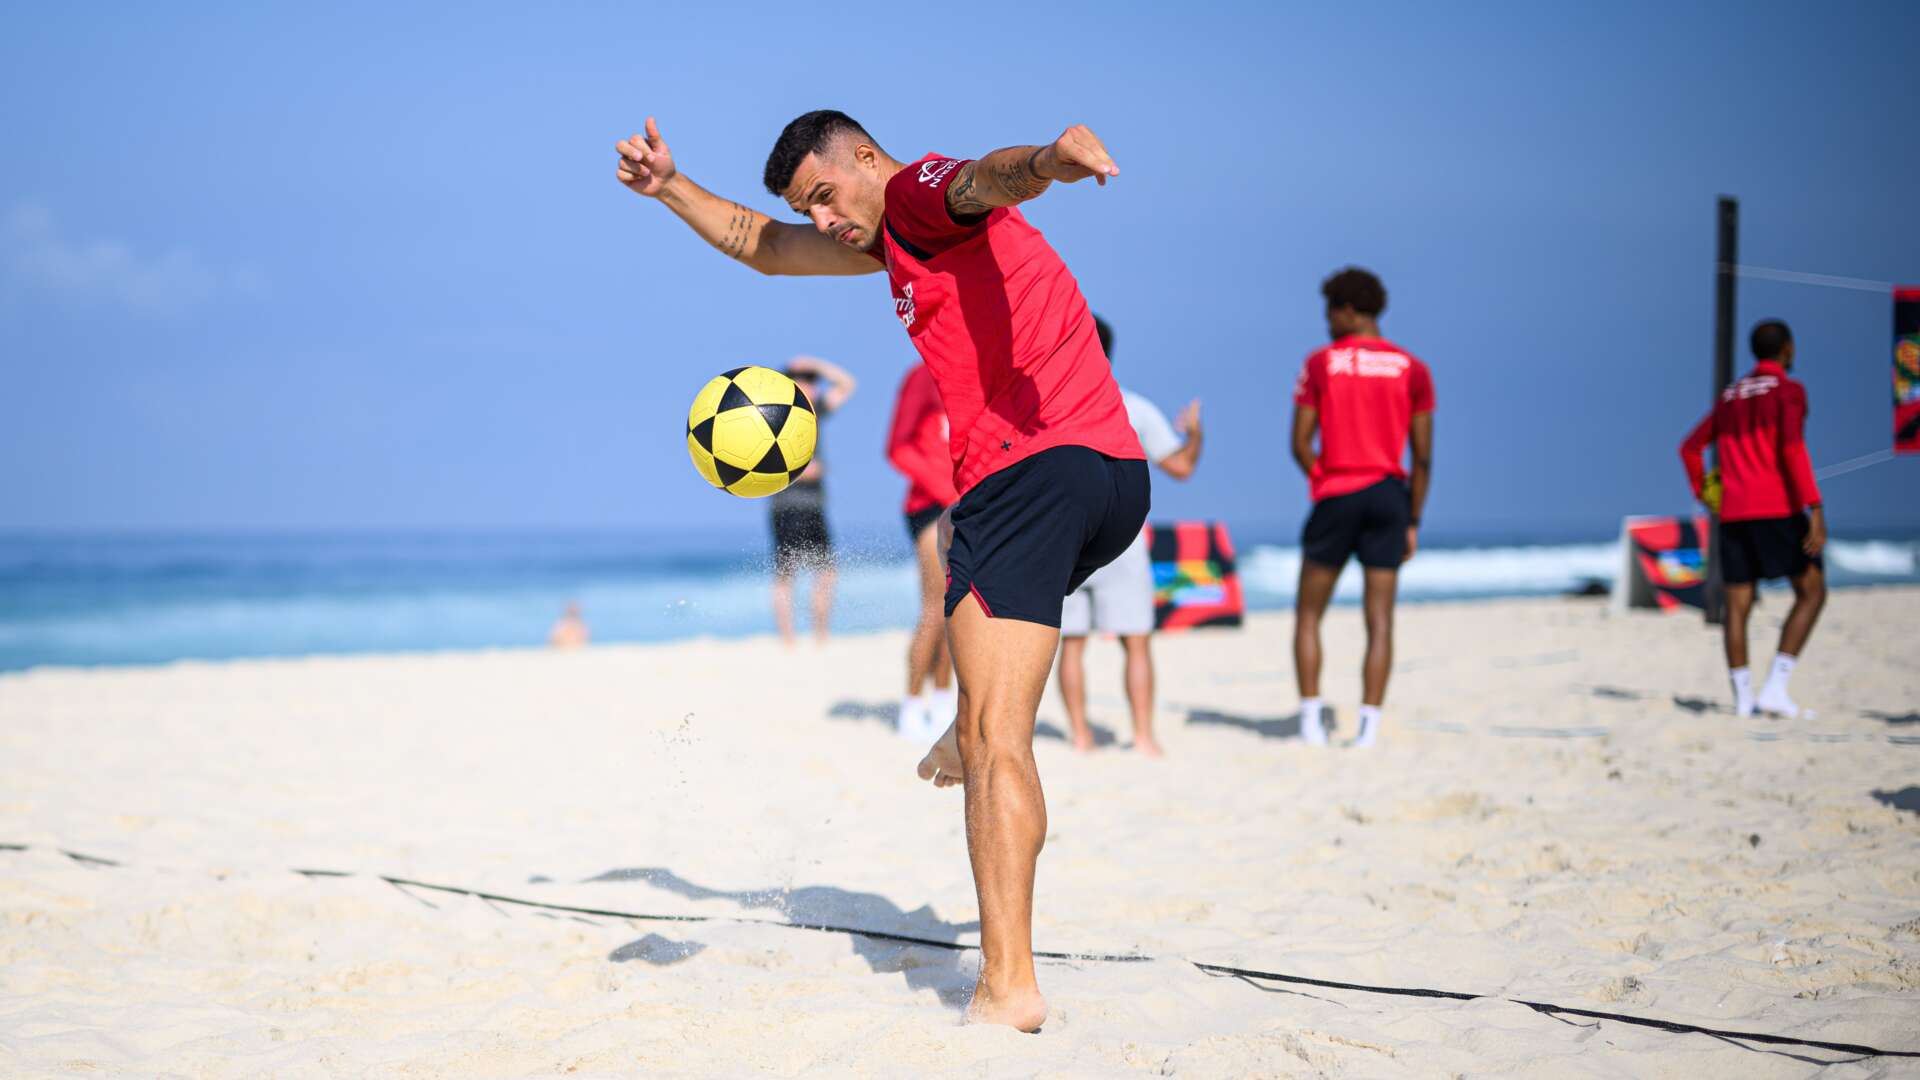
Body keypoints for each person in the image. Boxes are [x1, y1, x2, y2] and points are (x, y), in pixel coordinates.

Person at [616, 110, 1147, 1031]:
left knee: (997, 741)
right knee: (986, 693)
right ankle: (967, 723)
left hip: (1024, 473)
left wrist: (1047, 161)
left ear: (866, 157)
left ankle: (1008, 988)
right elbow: (764, 247)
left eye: (825, 195)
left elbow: (983, 178)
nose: (822, 220)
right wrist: (670, 188)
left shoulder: (913, 196)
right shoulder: (895, 242)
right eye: (808, 208)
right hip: (1112, 478)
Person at [1290, 267, 1434, 749]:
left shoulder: (1321, 363)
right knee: (1380, 620)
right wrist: (1413, 518)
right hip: (1389, 495)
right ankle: (1368, 728)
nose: (1327, 322)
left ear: (1349, 311)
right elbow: (1423, 456)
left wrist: (1322, 479)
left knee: (1309, 615)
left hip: (1338, 491)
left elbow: (1300, 441)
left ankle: (1311, 725)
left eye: (1330, 312)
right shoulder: (1412, 368)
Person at [1056, 315, 1203, 756]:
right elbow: (1180, 467)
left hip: (1067, 540)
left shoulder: (1051, 406)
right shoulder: (1135, 408)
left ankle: (1080, 736)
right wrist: (1195, 434)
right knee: (1136, 642)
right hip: (1122, 541)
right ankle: (1143, 736)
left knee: (1072, 645)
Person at [1680, 319, 1827, 718]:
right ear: (1788, 348)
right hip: (1776, 508)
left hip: (1733, 513)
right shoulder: (1789, 391)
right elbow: (1792, 449)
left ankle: (1744, 700)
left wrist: (1704, 493)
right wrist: (1815, 507)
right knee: (1812, 592)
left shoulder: (1730, 395)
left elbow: (1690, 448)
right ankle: (1775, 688)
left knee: (1737, 605)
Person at [886, 362, 958, 741]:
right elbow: (897, 447)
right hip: (931, 505)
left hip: (971, 504)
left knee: (956, 612)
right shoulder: (922, 375)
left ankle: (943, 700)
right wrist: (947, 491)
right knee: (935, 607)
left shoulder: (983, 373)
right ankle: (912, 704)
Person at [768, 355, 855, 645]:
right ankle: (788, 640)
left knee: (826, 572)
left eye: (812, 381)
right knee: (786, 573)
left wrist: (816, 365)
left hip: (815, 504)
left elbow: (847, 385)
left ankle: (820, 636)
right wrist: (802, 471)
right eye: (803, 380)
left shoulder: (813, 411)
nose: (811, 385)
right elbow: (762, 460)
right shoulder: (777, 414)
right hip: (787, 505)